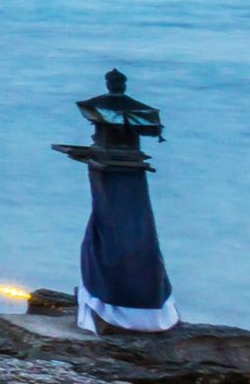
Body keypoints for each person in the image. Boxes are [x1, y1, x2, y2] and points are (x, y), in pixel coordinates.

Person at [57, 69, 178, 332]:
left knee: (109, 235)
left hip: (111, 173)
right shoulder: (134, 118)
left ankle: (111, 303)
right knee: (135, 232)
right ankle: (146, 306)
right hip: (127, 173)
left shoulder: (102, 112)